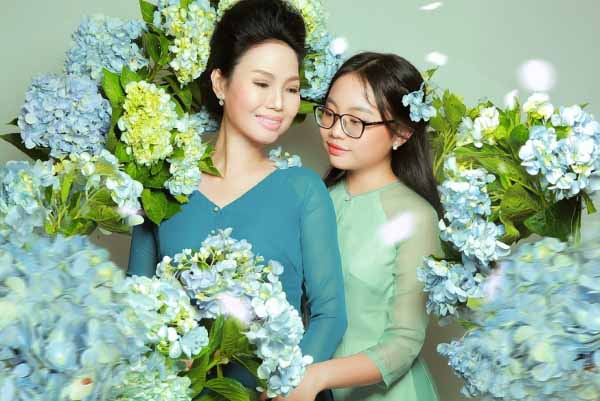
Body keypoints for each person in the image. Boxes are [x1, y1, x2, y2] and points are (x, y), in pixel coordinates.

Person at [127, 0, 347, 395]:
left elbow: (330, 315)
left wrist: (287, 387)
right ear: (220, 83)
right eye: (262, 84)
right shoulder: (163, 187)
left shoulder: (302, 189)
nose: (278, 103)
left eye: (291, 88)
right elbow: (134, 307)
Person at [282, 52, 442, 401]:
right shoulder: (315, 199)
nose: (335, 131)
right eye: (329, 113)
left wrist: (316, 376)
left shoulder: (416, 217)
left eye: (356, 121)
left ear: (401, 132)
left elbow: (405, 342)